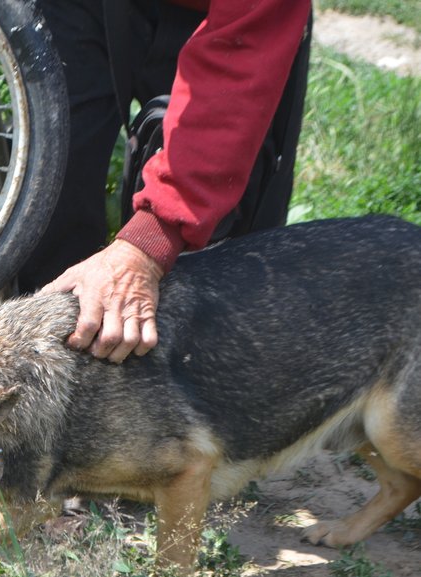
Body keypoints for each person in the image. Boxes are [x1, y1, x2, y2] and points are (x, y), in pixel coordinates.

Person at [20, 0, 313, 363]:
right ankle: (60, 369)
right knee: (52, 186)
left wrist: (149, 244)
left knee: (232, 273)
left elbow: (242, 57)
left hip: (240, 16)